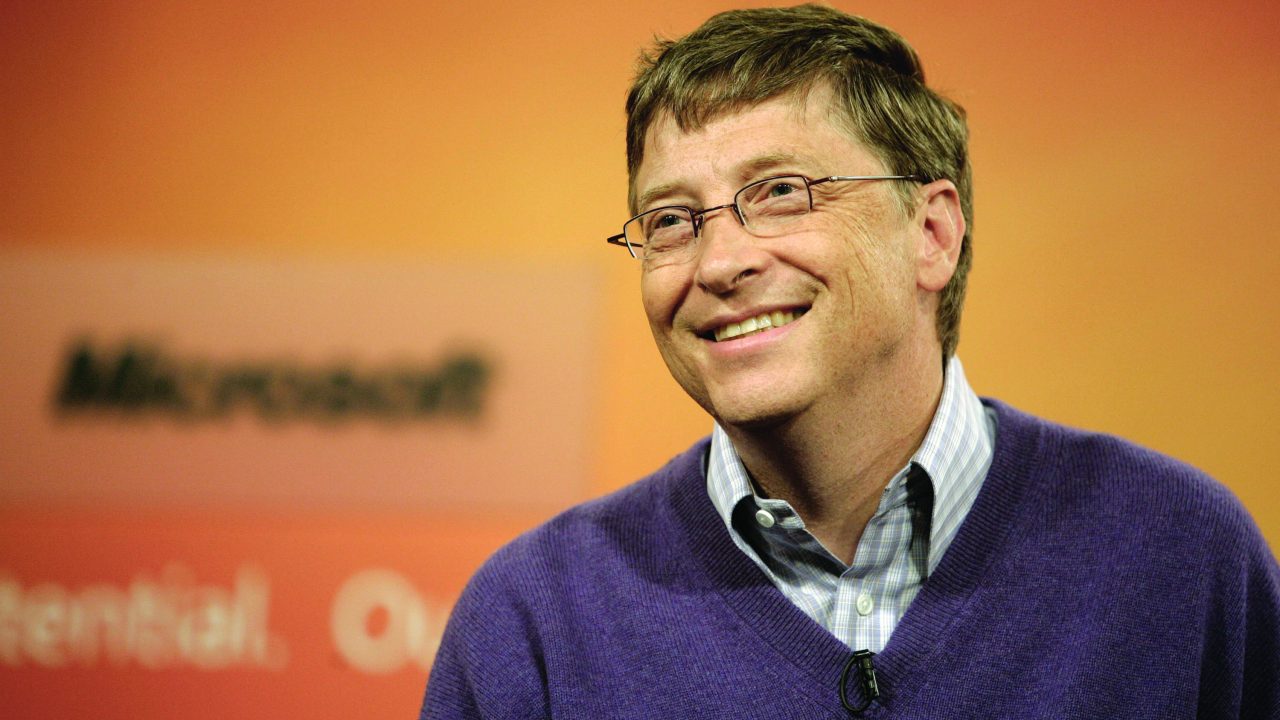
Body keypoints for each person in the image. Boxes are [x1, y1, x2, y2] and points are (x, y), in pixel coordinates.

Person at [420, 5, 1280, 718]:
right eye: (673, 220)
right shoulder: (534, 619)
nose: (718, 264)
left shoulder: (1179, 553)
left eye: (780, 193)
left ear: (932, 235)